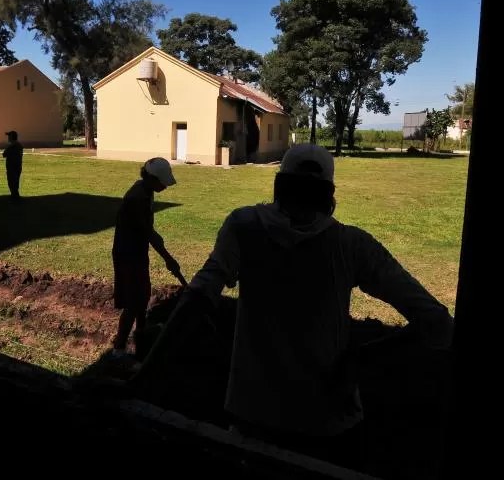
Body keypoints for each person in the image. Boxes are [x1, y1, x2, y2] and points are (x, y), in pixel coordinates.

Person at [132, 144, 453, 461]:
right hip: (329, 425)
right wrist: (359, 360)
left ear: (278, 185)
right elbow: (437, 322)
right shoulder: (353, 246)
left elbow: (196, 299)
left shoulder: (244, 226)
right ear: (330, 196)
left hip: (251, 420)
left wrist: (142, 379)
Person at [111, 158, 182, 356]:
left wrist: (155, 236)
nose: (165, 186)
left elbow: (147, 229)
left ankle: (141, 336)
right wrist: (168, 258)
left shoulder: (145, 190)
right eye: (163, 182)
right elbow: (147, 233)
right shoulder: (137, 197)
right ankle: (119, 349)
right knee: (133, 302)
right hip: (127, 253)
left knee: (142, 296)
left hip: (137, 250)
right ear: (152, 178)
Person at [2, 130, 24, 199]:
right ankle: (15, 195)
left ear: (11, 137)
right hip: (17, 166)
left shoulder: (12, 146)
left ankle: (14, 196)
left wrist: (7, 147)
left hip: (12, 167)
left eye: (9, 136)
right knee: (16, 182)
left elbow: (4, 154)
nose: (8, 138)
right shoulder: (19, 145)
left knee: (12, 182)